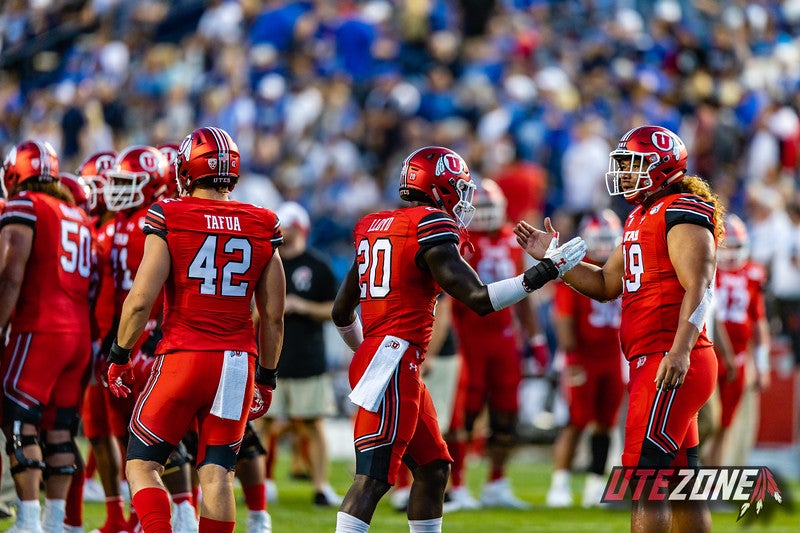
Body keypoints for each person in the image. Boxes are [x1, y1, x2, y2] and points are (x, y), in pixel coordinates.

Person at [331, 146, 586, 533]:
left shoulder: (374, 225)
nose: (464, 199)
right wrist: (546, 271)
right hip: (394, 359)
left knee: (433, 467)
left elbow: (341, 312)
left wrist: (365, 351)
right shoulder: (431, 225)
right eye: (460, 188)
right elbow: (480, 299)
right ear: (441, 186)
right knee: (373, 476)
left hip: (386, 357)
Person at [515, 125, 724, 533]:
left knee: (646, 483)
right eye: (623, 165)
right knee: (683, 484)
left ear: (661, 166)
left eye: (634, 164)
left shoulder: (681, 210)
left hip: (671, 358)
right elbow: (606, 285)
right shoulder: (640, 214)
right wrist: (556, 260)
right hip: (656, 359)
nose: (625, 173)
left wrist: (679, 351)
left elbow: (700, 288)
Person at [105, 126, 285, 533]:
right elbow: (273, 316)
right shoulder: (262, 221)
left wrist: (119, 356)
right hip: (239, 362)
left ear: (187, 169)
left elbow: (139, 300)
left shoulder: (170, 213)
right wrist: (268, 377)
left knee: (141, 464)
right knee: (217, 475)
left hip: (184, 355)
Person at [0, 141, 92, 533]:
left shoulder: (26, 206)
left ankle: (29, 521)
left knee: (19, 421)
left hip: (39, 326)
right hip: (78, 332)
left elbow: (10, 273)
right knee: (59, 430)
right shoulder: (78, 213)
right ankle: (54, 522)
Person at [448, 178, 537, 510]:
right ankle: (457, 484)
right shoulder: (459, 241)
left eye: (490, 208)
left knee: (506, 415)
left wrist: (536, 337)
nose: (485, 215)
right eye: (479, 208)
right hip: (469, 336)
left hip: (504, 339)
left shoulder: (514, 240)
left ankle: (496, 481)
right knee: (465, 415)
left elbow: (525, 292)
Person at [259, 201, 342, 507]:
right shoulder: (267, 259)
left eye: (290, 224)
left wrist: (302, 306)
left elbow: (335, 309)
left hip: (307, 358)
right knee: (263, 424)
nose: (285, 229)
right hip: (271, 358)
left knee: (312, 424)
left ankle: (321, 486)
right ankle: (262, 484)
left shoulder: (317, 264)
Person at [546, 209, 625, 508]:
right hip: (583, 358)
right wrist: (571, 357)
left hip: (611, 357)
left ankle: (595, 485)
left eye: (609, 239)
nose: (604, 246)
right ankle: (560, 483)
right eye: (599, 239)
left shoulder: (624, 269)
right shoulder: (578, 269)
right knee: (576, 422)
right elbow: (563, 317)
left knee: (605, 424)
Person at [705, 213, 770, 467]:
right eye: (727, 246)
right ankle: (685, 480)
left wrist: (762, 366)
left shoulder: (754, 274)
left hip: (740, 358)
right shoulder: (707, 269)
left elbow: (759, 320)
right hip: (709, 354)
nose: (731, 253)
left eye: (736, 246)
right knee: (704, 423)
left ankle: (710, 486)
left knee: (725, 425)